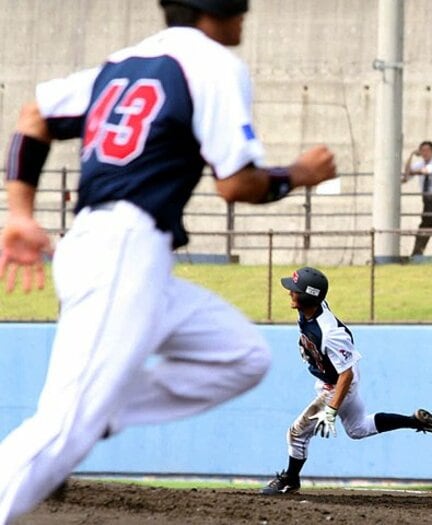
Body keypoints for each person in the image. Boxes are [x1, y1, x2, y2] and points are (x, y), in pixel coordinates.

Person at [0, 1, 336, 522]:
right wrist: (299, 173)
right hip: (119, 255)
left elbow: (35, 115)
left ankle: (103, 410)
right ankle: (89, 416)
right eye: (238, 5)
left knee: (242, 356)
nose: (245, 14)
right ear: (213, 9)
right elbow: (236, 183)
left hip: (128, 256)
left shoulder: (123, 63)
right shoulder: (213, 64)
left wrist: (20, 211)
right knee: (61, 429)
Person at [261, 266, 432, 495]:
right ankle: (416, 421)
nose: (290, 293)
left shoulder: (330, 333)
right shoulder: (309, 309)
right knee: (358, 428)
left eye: (295, 290)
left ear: (307, 296)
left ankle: (290, 479)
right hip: (332, 378)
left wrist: (331, 410)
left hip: (338, 384)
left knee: (296, 433)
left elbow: (347, 374)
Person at [402, 140, 432, 256]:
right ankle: (417, 254)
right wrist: (411, 155)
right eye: (422, 150)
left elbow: (426, 172)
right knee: (424, 227)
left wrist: (413, 173)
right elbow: (406, 175)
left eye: (427, 150)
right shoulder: (420, 164)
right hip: (428, 201)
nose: (425, 153)